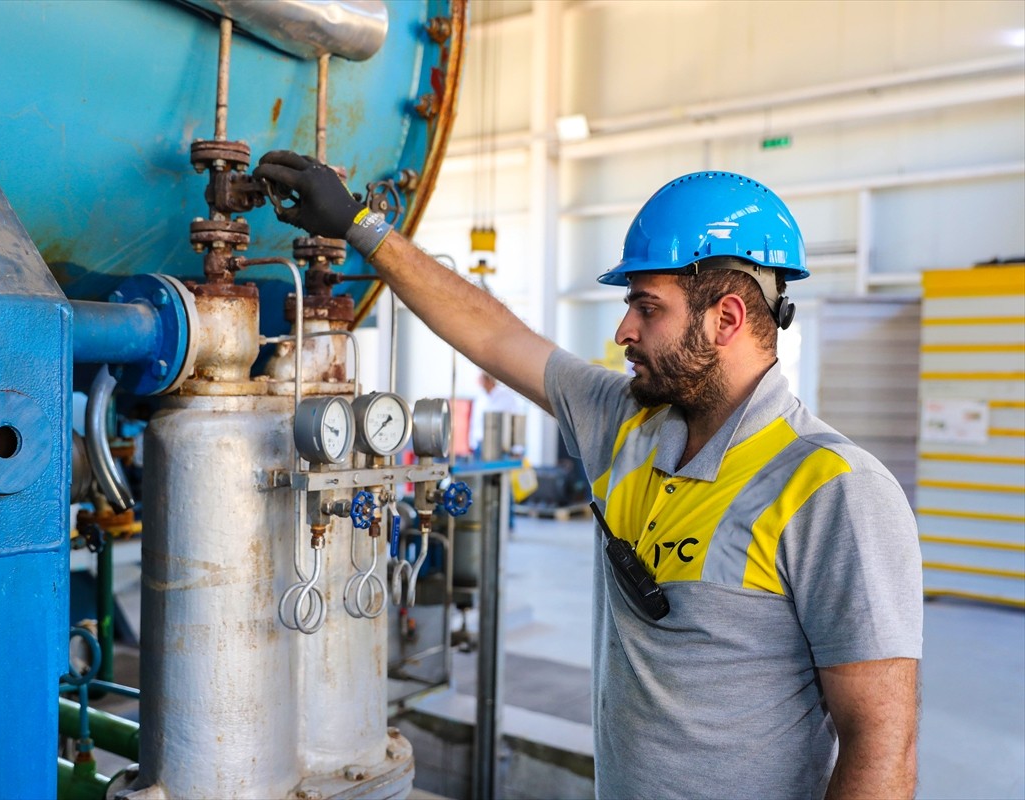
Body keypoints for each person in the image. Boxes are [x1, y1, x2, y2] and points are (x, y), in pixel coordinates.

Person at [254, 153, 923, 799]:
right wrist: (361, 226)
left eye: (648, 308)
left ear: (726, 319)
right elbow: (494, 335)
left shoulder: (833, 491)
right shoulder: (627, 425)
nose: (624, 329)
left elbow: (882, 749)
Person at [470, 369, 524, 456]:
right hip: (479, 448)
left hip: (501, 449)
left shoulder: (507, 398)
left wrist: (517, 450)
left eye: (482, 377)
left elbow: (516, 423)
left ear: (488, 379)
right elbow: (475, 424)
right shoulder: (480, 398)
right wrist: (472, 445)